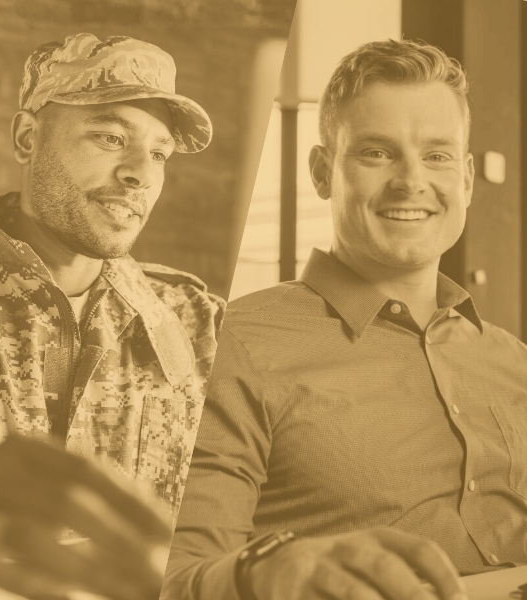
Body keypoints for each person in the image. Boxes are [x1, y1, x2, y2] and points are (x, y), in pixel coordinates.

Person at [0, 33, 226, 599]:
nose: (140, 174)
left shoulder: (203, 324)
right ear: (28, 137)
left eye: (159, 153)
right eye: (110, 136)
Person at [162, 39, 527, 600]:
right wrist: (266, 571)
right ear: (321, 172)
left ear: (468, 179)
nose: (412, 181)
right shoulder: (233, 344)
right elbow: (180, 578)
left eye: (437, 155)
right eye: (377, 153)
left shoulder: (511, 358)